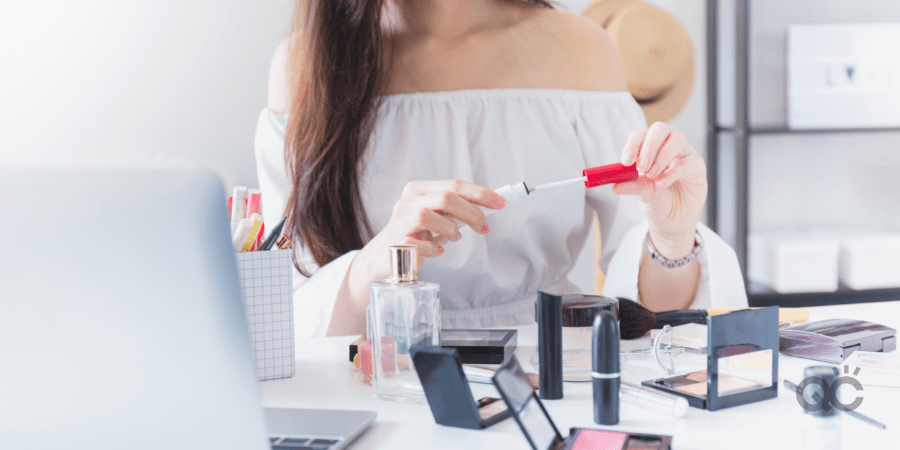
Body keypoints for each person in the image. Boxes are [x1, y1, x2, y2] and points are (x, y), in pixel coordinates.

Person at [255, 0, 747, 338]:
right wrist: (375, 265)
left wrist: (673, 233)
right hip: (377, 380)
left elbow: (657, 314)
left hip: (551, 378)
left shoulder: (579, 50)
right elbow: (288, 310)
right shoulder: (306, 65)